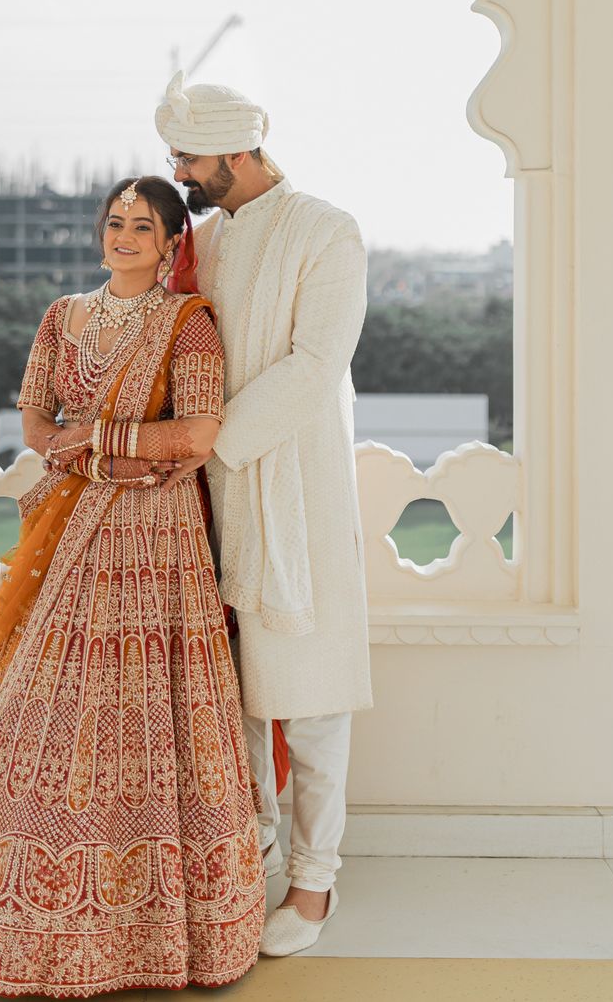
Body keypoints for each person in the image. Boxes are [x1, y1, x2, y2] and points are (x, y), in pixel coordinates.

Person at [0, 175, 265, 996]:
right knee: (45, 707)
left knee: (153, 717)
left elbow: (200, 434)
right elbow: (34, 421)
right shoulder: (64, 316)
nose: (124, 237)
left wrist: (94, 440)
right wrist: (111, 459)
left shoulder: (187, 326)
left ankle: (156, 934)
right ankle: (19, 919)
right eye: (114, 223)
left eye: (143, 226)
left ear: (173, 242)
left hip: (159, 550)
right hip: (74, 531)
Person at [155, 72, 373, 958]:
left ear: (238, 151)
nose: (178, 171)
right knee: (232, 701)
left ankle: (315, 888)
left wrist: (208, 442)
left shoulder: (328, 230)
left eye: (189, 158)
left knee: (311, 699)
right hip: (209, 497)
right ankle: (251, 863)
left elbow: (316, 363)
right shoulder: (204, 240)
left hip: (295, 491)